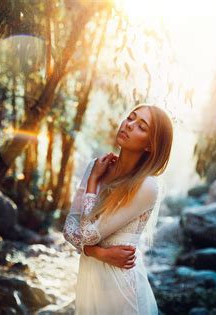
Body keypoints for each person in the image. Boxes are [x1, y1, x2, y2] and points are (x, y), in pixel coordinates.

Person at [63, 103, 173, 315]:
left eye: (142, 126)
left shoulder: (146, 186)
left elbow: (85, 234)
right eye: (130, 118)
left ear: (151, 145)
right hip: (92, 277)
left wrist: (93, 183)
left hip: (122, 285)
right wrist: (97, 253)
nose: (129, 125)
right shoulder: (96, 166)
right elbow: (69, 229)